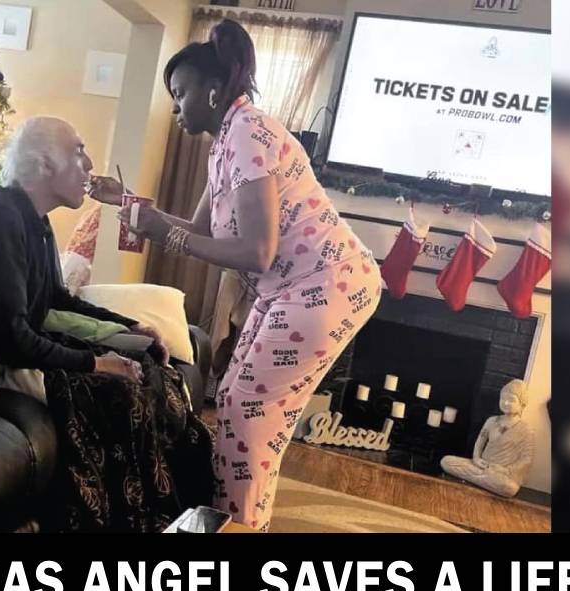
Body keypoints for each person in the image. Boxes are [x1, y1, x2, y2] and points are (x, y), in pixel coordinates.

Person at [93, 20, 382, 531]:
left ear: (213, 90)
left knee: (251, 410)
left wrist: (166, 234)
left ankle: (240, 526)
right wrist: (128, 203)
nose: (175, 107)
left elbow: (255, 251)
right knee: (233, 399)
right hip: (290, 288)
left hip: (325, 284)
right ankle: (233, 519)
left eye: (180, 93)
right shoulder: (226, 141)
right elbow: (199, 230)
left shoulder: (248, 132)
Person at [0, 116, 214, 531]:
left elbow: (59, 299)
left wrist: (131, 327)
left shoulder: (34, 220)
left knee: (148, 368)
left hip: (22, 346)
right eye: (78, 152)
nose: (89, 164)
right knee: (122, 391)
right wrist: (96, 363)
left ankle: (180, 515)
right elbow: (10, 338)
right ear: (43, 163)